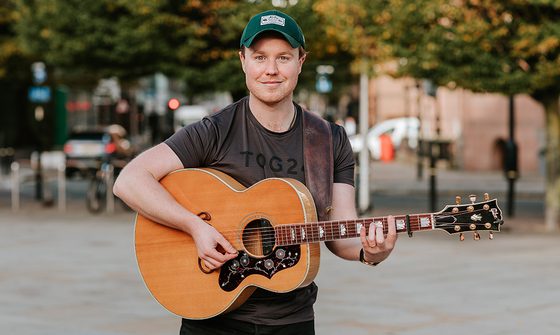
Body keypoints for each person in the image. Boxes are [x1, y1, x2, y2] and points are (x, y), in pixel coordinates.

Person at [113, 9, 398, 335]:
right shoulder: (214, 131)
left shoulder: (329, 140)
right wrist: (194, 226)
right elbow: (129, 180)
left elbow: (339, 233)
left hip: (292, 322)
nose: (271, 70)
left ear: (301, 61)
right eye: (260, 57)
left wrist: (371, 252)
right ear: (243, 60)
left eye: (284, 58)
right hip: (212, 315)